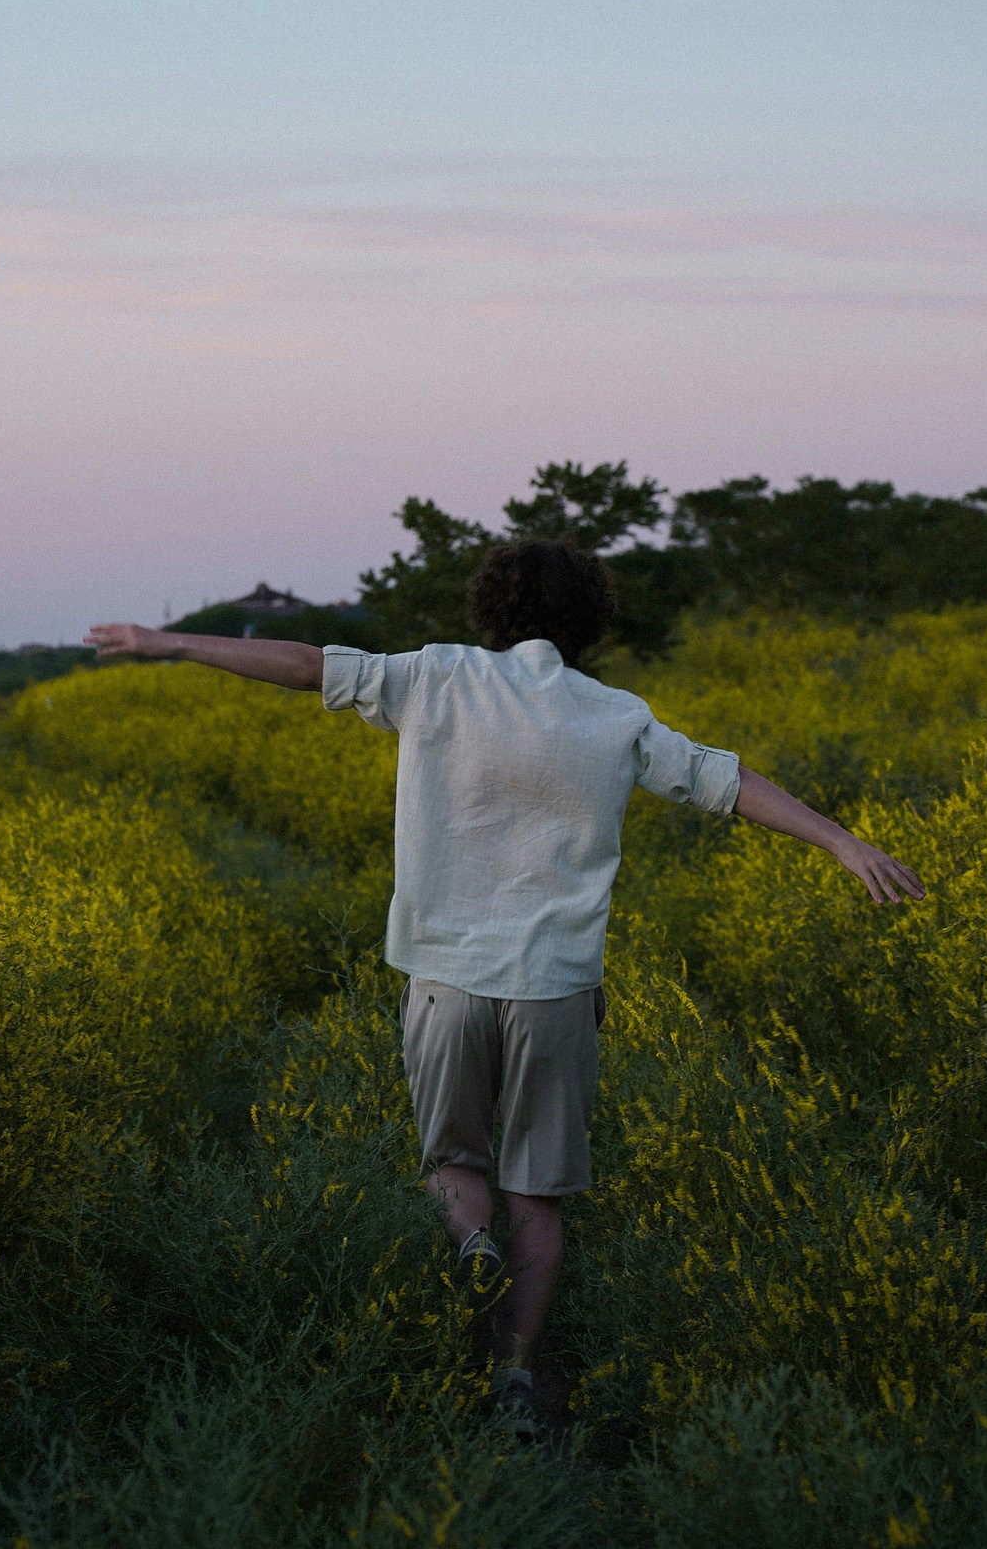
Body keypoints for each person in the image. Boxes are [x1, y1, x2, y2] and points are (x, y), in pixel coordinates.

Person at [84, 538, 925, 1431]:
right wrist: (843, 840)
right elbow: (725, 782)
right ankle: (516, 1385)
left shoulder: (437, 677)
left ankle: (468, 1243)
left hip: (446, 978)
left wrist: (169, 641)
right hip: (554, 988)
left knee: (455, 1166)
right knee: (539, 1196)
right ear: (589, 618)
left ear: (491, 606)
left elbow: (305, 664)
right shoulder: (615, 714)